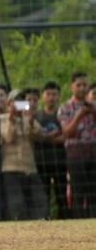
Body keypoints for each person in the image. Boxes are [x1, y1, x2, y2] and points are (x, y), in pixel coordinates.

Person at [0, 90, 48, 221]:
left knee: (40, 202)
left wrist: (31, 121)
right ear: (9, 103)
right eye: (16, 101)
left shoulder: (29, 119)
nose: (18, 104)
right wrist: (11, 120)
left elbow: (40, 136)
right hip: (10, 168)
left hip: (30, 168)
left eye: (22, 101)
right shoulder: (2, 119)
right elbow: (9, 138)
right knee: (16, 204)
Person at [58, 72, 96, 218]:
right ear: (71, 86)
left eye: (85, 85)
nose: (82, 88)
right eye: (78, 85)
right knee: (78, 190)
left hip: (94, 151)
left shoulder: (93, 105)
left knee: (94, 190)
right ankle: (79, 221)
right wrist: (79, 115)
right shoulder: (65, 107)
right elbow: (67, 132)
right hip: (75, 153)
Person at [36, 81, 68, 219]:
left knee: (61, 192)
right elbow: (34, 137)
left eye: (54, 94)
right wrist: (52, 136)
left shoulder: (63, 114)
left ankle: (64, 217)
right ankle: (45, 218)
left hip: (60, 160)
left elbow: (65, 136)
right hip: (41, 161)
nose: (51, 97)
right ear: (43, 96)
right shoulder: (37, 115)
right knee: (44, 193)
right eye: (48, 94)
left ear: (59, 96)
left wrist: (46, 137)